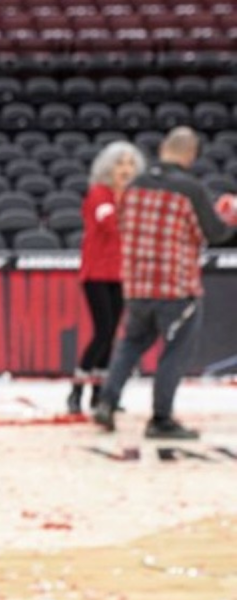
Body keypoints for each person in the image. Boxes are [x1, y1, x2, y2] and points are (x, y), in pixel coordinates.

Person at [92, 128, 235, 438]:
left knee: (129, 345)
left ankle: (106, 403)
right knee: (175, 352)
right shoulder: (191, 189)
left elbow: (119, 224)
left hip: (136, 284)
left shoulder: (133, 186)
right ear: (191, 154)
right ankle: (161, 419)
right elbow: (216, 234)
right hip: (175, 286)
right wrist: (230, 217)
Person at [66, 141, 145, 414]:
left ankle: (99, 395)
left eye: (130, 164)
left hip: (120, 274)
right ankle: (76, 391)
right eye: (120, 163)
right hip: (97, 273)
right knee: (102, 332)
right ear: (108, 168)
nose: (126, 169)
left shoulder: (134, 198)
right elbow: (112, 225)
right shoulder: (99, 194)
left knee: (111, 334)